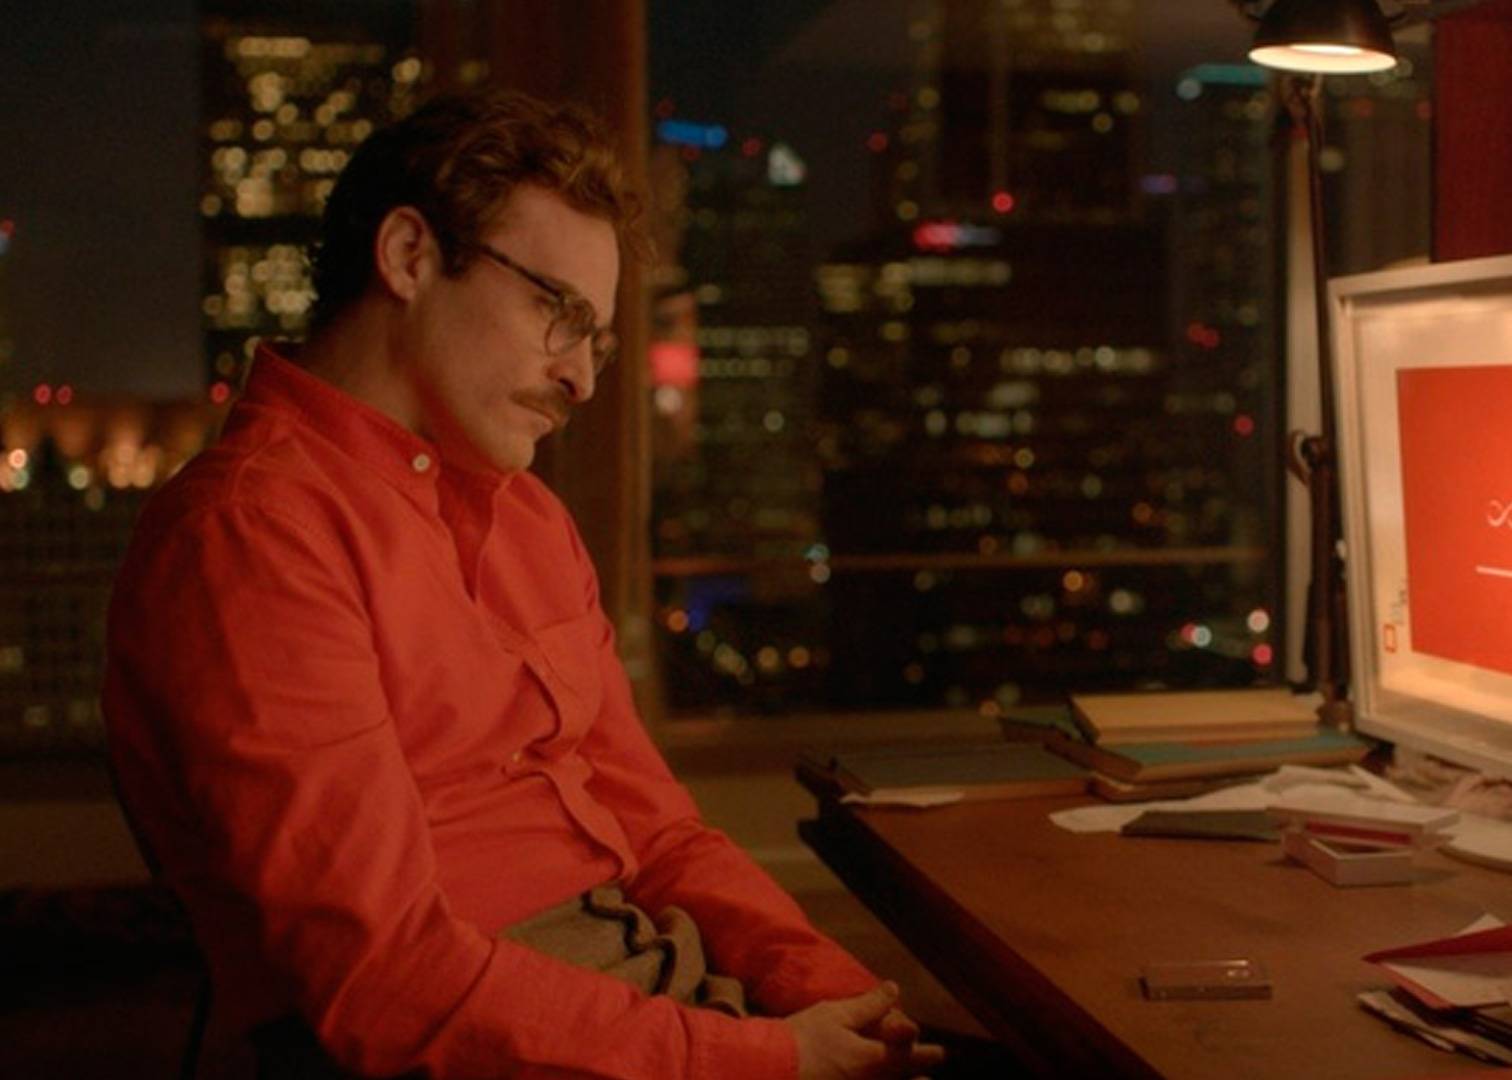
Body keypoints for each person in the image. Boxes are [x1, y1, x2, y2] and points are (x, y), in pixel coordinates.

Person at [104, 89, 944, 1080]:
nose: (582, 378)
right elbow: (385, 984)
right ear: (409, 256)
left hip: (656, 992)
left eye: (599, 340)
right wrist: (770, 1061)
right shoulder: (253, 533)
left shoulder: (529, 520)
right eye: (559, 312)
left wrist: (839, 1001)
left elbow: (663, 836)